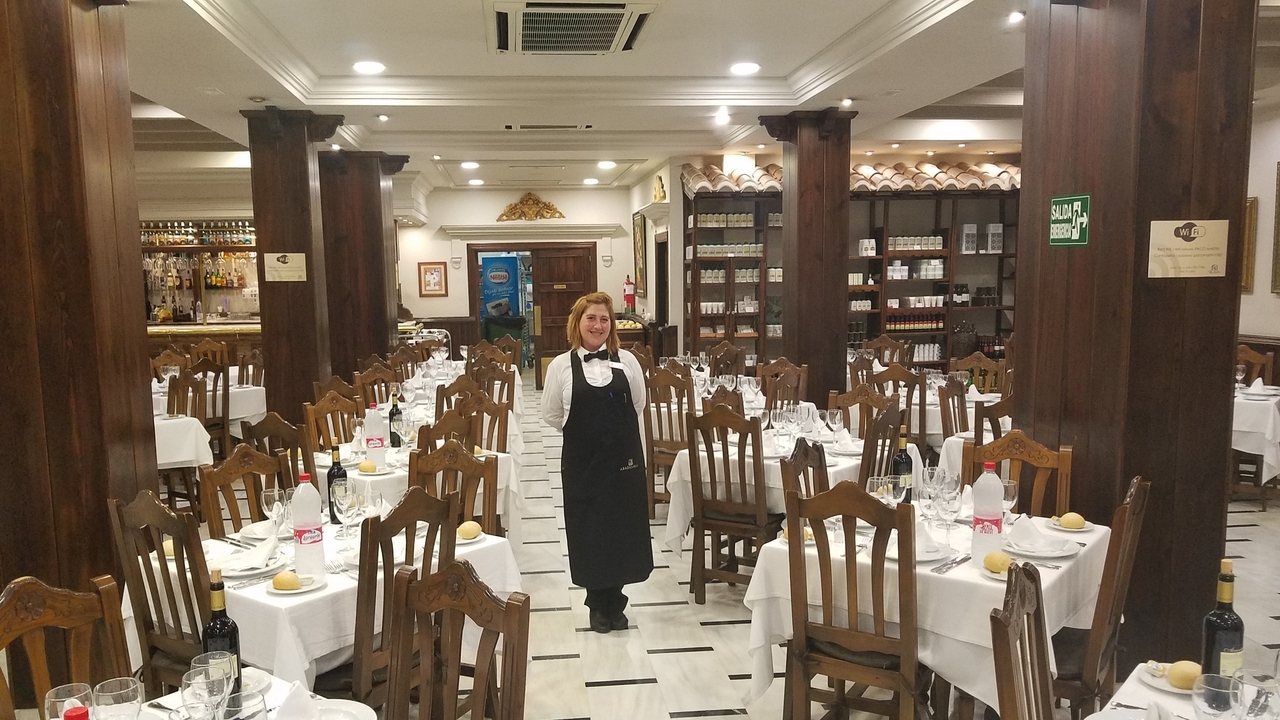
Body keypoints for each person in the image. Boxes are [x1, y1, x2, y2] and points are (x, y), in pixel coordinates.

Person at [541, 291, 652, 633]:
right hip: (582, 465)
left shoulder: (628, 361)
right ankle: (596, 603)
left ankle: (616, 601)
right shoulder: (560, 366)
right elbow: (552, 414)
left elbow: (638, 405)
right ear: (578, 323)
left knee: (622, 531)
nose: (598, 325)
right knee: (589, 531)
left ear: (611, 325)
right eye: (591, 318)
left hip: (623, 464)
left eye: (604, 319)